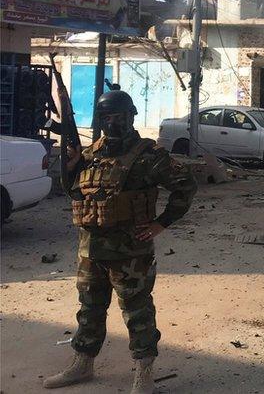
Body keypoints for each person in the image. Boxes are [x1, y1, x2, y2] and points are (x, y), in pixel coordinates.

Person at [45, 90, 197, 394]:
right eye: (107, 117)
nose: (113, 123)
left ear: (131, 117)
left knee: (137, 312)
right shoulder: (90, 154)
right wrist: (71, 165)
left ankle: (144, 372)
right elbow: (73, 192)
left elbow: (186, 185)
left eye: (119, 116)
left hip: (130, 253)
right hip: (91, 250)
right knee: (89, 308)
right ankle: (83, 363)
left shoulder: (147, 156)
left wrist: (160, 223)